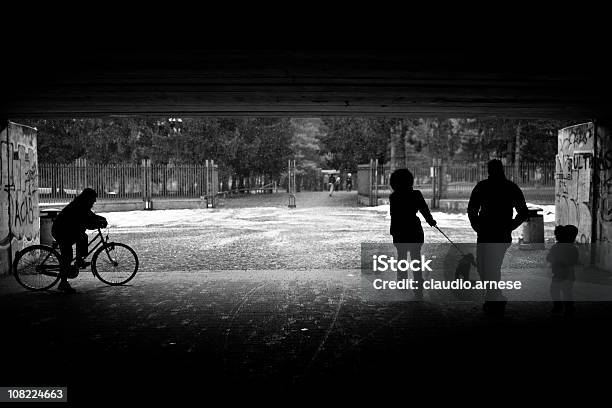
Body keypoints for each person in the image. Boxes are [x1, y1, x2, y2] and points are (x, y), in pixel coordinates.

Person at [468, 159, 529, 316]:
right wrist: (510, 226)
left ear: (489, 170)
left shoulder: (482, 187)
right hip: (499, 233)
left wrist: (477, 226)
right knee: (491, 267)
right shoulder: (510, 187)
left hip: (487, 233)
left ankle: (494, 298)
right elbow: (523, 212)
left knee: (485, 267)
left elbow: (472, 210)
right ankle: (494, 297)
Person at [389, 168, 437, 300]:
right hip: (414, 229)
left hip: (399, 231)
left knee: (402, 256)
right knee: (416, 257)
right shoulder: (416, 194)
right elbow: (424, 210)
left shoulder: (393, 197)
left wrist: (393, 232)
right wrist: (430, 221)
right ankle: (418, 284)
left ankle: (402, 281)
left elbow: (394, 216)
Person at [51, 188, 107, 293]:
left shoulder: (83, 205)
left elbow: (91, 216)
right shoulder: (79, 207)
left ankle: (79, 260)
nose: (95, 201)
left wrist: (102, 219)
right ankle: (63, 283)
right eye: (93, 199)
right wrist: (98, 224)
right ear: (88, 198)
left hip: (68, 230)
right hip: (61, 231)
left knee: (83, 237)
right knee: (67, 256)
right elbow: (87, 222)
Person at [547, 225, 579, 317]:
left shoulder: (556, 247)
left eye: (557, 235)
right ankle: (569, 309)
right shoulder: (572, 248)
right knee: (567, 292)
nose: (556, 237)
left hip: (558, 274)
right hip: (569, 274)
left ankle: (558, 307)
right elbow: (574, 261)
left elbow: (549, 258)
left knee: (554, 291)